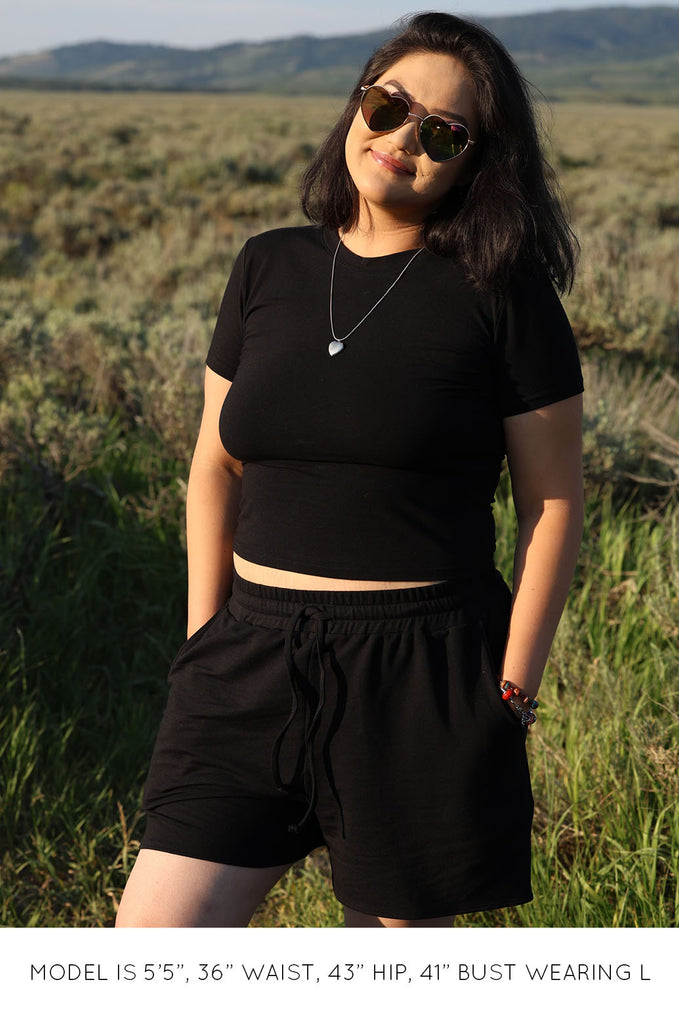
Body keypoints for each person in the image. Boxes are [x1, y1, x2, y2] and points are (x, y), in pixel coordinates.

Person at [116, 11, 584, 928]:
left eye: (441, 133)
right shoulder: (267, 266)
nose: (402, 139)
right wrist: (203, 638)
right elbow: (216, 464)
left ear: (473, 163)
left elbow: (553, 503)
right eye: (388, 106)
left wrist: (512, 693)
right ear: (355, 107)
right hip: (245, 658)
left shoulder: (503, 294)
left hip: (420, 675)